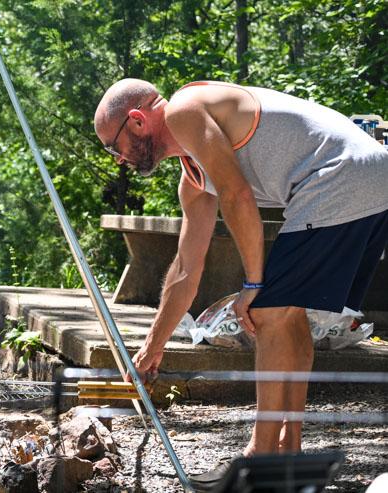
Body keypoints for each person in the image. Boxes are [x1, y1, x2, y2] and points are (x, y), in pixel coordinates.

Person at [94, 79, 388, 490]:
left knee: (268, 309)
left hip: (340, 174)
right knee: (286, 313)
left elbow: (238, 195)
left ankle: (259, 460)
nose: (119, 160)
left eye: (114, 146)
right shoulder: (195, 177)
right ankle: (289, 453)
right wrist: (151, 348)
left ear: (138, 121)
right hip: (368, 176)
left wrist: (254, 284)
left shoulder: (184, 108)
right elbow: (185, 269)